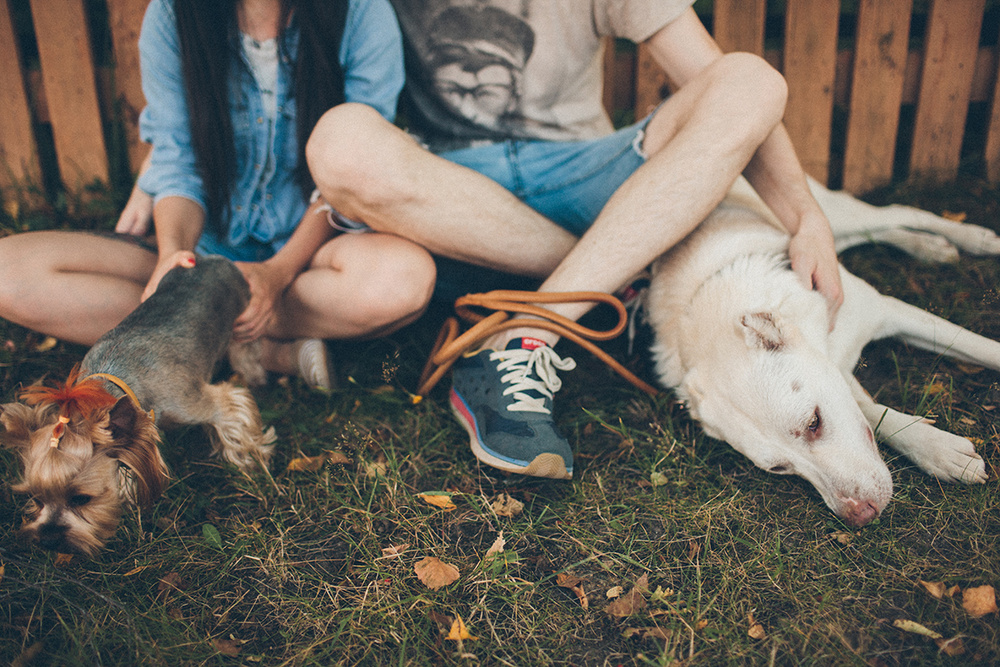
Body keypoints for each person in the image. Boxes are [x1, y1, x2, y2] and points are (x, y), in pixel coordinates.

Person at [302, 0, 845, 478]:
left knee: (751, 79)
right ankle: (613, 285)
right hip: (447, 200)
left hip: (594, 184)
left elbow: (734, 89)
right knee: (341, 142)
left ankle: (525, 337)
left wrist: (806, 216)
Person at [0, 0, 436, 390]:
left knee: (405, 280)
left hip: (310, 254)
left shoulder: (361, 12)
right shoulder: (173, 14)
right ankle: (261, 350)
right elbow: (177, 162)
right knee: (8, 273)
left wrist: (278, 273)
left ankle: (199, 339)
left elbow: (359, 170)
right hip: (203, 253)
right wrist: (174, 259)